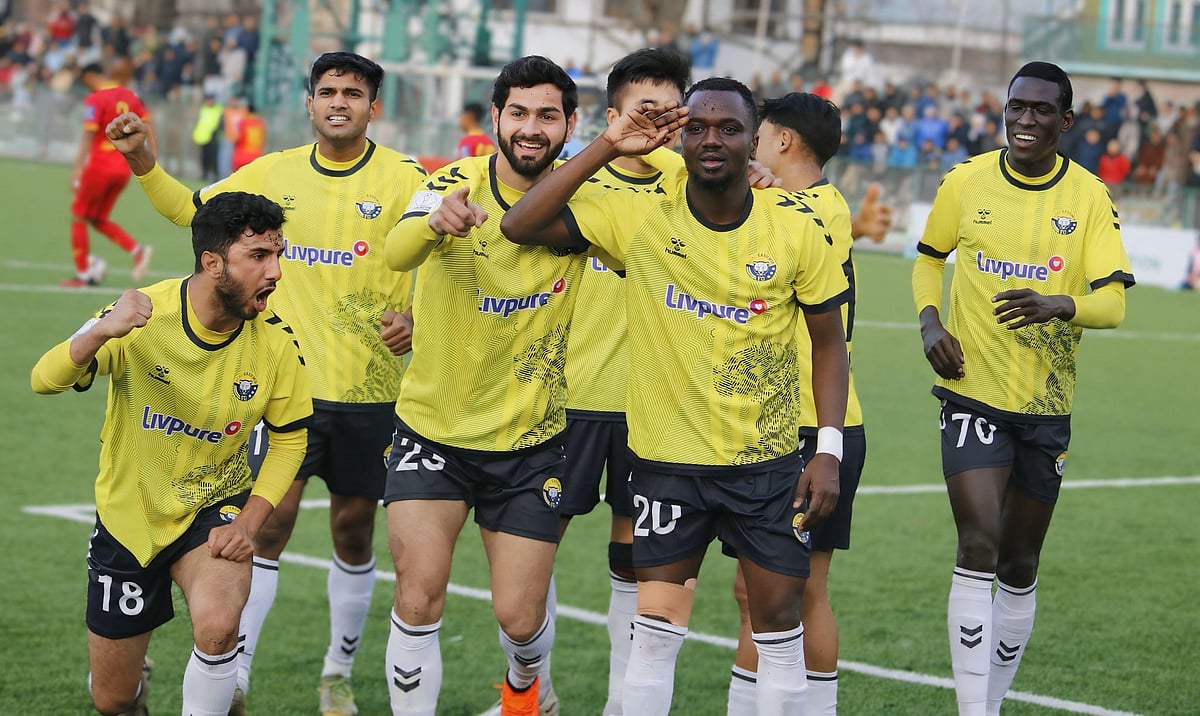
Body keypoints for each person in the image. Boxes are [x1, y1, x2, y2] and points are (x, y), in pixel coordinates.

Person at [500, 77, 851, 715]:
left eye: (730, 128)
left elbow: (830, 344)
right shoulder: (638, 218)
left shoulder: (795, 228)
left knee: (777, 633)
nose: (712, 139)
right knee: (654, 638)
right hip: (666, 464)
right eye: (698, 127)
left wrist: (826, 450)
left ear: (755, 144)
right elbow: (520, 223)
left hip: (764, 464)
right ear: (679, 137)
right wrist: (608, 145)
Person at [105, 51, 428, 716]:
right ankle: (240, 669)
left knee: (352, 530)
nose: (340, 102)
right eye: (328, 91)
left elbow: (442, 257)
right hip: (282, 388)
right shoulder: (271, 174)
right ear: (309, 104)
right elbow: (190, 212)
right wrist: (142, 160)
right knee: (267, 527)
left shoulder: (405, 179)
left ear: (375, 108)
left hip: (370, 395)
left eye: (354, 93)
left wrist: (416, 317)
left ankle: (336, 671)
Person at [31, 191, 312, 716]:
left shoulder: (275, 344)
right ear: (213, 263)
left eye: (278, 254)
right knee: (114, 700)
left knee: (219, 624)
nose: (275, 271)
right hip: (129, 518)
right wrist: (100, 331)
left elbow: (291, 437)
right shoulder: (141, 316)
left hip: (213, 509)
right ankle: (135, 683)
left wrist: (250, 521)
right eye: (258, 257)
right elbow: (43, 380)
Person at [911, 62, 1134, 716]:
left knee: (1019, 563)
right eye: (1016, 107)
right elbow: (929, 257)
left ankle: (994, 703)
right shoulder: (965, 182)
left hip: (1044, 405)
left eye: (1041, 111)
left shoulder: (1089, 197)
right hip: (969, 389)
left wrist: (1059, 305)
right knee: (977, 542)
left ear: (1066, 121)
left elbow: (1113, 304)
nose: (1025, 120)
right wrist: (929, 323)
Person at [381, 54, 586, 716]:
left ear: (569, 124)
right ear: (495, 117)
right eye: (518, 113)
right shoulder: (451, 182)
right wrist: (434, 223)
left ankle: (526, 687)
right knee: (417, 595)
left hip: (530, 442)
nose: (531, 128)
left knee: (521, 619)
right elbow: (395, 248)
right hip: (432, 431)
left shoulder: (588, 197)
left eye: (546, 116)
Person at [723, 91, 885, 716]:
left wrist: (755, 190)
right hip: (769, 425)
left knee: (803, 591)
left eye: (756, 135)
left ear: (783, 140)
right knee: (751, 591)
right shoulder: (803, 204)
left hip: (817, 430)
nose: (749, 146)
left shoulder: (816, 207)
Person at [63, 61, 155, 288]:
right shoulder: (131, 96)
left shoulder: (97, 98)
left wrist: (77, 169)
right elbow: (148, 125)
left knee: (78, 216)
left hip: (100, 166)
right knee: (97, 218)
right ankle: (137, 250)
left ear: (90, 77)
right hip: (123, 167)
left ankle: (83, 274)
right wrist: (154, 157)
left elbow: (88, 135)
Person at [193, 93, 224, 181]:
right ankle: (204, 173)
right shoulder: (203, 109)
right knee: (204, 157)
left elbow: (221, 123)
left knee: (213, 157)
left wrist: (217, 131)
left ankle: (215, 175)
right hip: (204, 135)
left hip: (213, 136)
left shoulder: (218, 109)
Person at [231, 101, 267, 171]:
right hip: (256, 156)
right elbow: (263, 139)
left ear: (247, 110)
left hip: (242, 157)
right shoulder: (260, 123)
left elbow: (237, 137)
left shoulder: (243, 122)